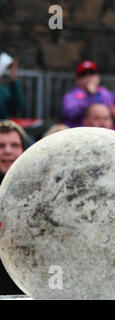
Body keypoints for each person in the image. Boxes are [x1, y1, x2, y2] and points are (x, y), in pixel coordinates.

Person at [0, 120, 28, 295]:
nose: (8, 151)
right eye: (1, 145)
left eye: (14, 145)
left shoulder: (39, 190)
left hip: (25, 285)